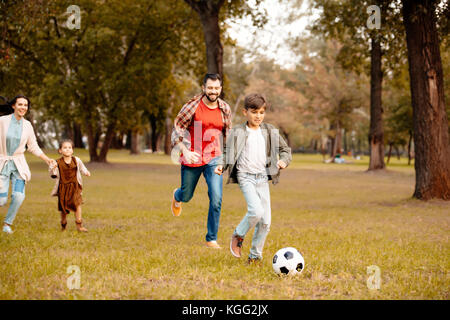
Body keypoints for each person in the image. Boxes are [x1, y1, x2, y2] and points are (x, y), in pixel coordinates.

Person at [215, 93, 292, 263]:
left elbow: (286, 150)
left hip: (262, 178)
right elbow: (227, 153)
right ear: (245, 112)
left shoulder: (270, 131)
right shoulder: (238, 131)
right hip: (245, 176)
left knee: (265, 222)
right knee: (256, 211)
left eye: (262, 112)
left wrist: (283, 161)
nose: (258, 116)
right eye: (254, 112)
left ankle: (254, 257)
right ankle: (239, 234)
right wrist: (222, 165)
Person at [171, 73, 232, 248]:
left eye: (216, 88)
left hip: (214, 158)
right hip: (192, 156)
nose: (213, 91)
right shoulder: (191, 107)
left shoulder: (224, 109)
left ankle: (211, 238)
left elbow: (229, 135)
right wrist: (184, 151)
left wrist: (225, 159)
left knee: (216, 197)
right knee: (187, 195)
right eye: (210, 88)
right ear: (203, 88)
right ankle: (177, 195)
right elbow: (177, 129)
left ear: (220, 89)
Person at [0, 95, 56, 234]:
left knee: (19, 196)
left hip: (18, 165)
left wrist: (46, 159)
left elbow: (33, 146)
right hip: (2, 162)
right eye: (20, 104)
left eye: (25, 105)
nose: (23, 107)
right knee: (1, 200)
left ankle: (7, 224)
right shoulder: (2, 121)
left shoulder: (27, 125)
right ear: (13, 106)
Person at [49, 139, 91, 232]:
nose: (67, 149)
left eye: (69, 148)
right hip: (63, 188)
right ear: (60, 150)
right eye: (65, 148)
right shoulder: (57, 162)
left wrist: (86, 172)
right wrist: (53, 168)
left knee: (77, 205)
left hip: (75, 187)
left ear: (72, 150)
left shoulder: (76, 160)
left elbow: (82, 167)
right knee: (64, 209)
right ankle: (63, 224)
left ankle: (79, 225)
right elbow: (53, 173)